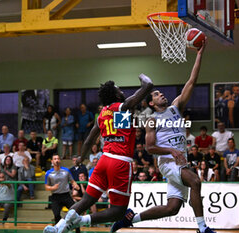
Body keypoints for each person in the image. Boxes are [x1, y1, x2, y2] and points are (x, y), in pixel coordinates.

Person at [111, 40, 214, 233]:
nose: (161, 95)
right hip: (167, 163)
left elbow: (191, 81)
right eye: (157, 94)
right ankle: (203, 228)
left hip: (180, 162)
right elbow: (149, 148)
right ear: (151, 102)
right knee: (195, 181)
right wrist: (171, 150)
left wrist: (199, 54)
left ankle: (131, 219)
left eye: (161, 93)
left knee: (172, 208)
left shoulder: (176, 107)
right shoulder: (152, 120)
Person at [43, 74, 153, 233]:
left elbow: (88, 140)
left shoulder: (103, 115)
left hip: (104, 160)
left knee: (86, 200)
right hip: (119, 162)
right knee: (118, 211)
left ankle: (58, 228)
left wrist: (81, 157)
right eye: (118, 89)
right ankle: (81, 221)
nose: (121, 91)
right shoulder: (121, 108)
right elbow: (148, 85)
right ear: (116, 95)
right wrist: (141, 76)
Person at [44, 155, 80, 233]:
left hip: (66, 195)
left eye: (58, 159)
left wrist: (75, 185)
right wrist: (52, 188)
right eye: (55, 159)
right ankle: (59, 230)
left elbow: (72, 181)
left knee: (75, 212)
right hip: (55, 196)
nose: (57, 160)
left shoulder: (66, 171)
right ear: (52, 161)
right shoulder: (48, 173)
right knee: (56, 215)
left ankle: (78, 230)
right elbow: (46, 187)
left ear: (60, 161)